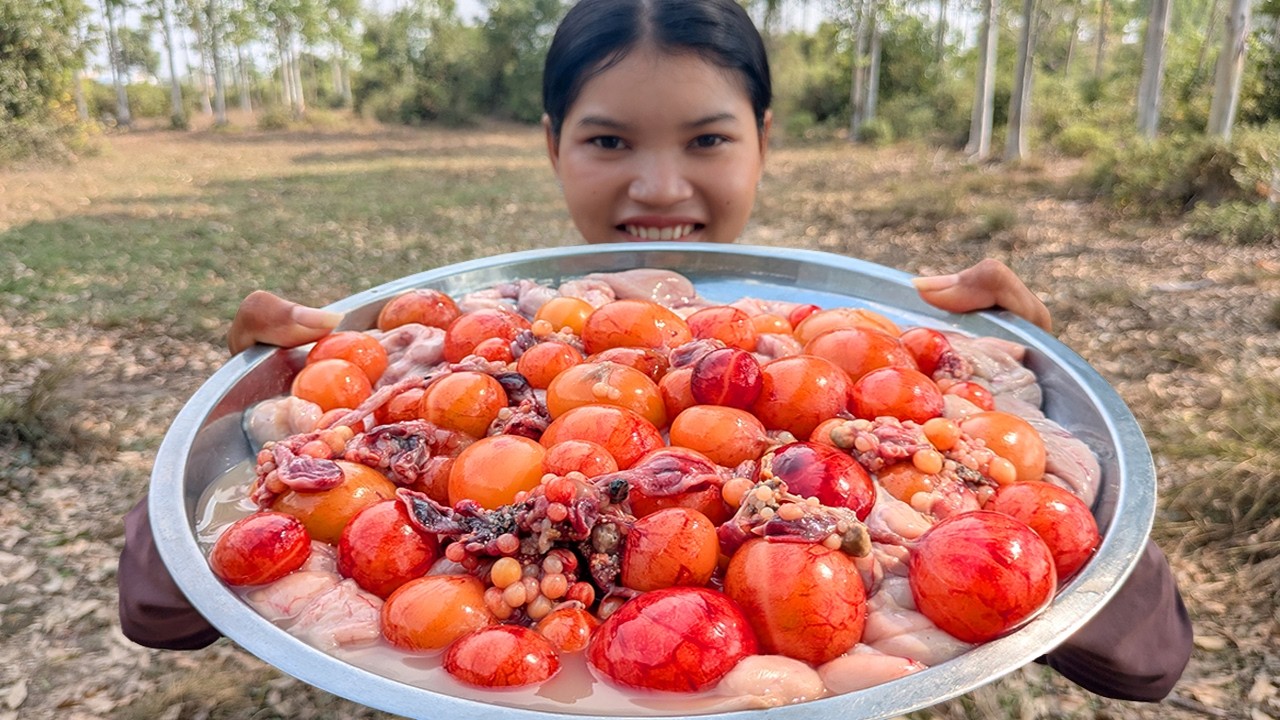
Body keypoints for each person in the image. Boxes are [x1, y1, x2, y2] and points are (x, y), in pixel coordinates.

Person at [120, 0, 1191, 703]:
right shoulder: (450, 367)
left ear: (765, 137)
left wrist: (1046, 404)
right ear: (552, 146)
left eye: (707, 139)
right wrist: (226, 408)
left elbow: (1144, 664)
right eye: (608, 141)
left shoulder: (865, 375)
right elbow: (160, 617)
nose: (660, 188)